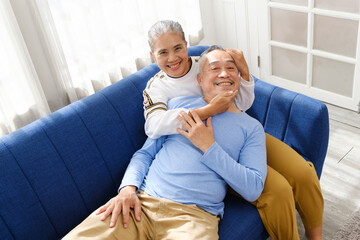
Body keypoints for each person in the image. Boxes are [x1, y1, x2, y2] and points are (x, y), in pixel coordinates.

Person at [63, 45, 268, 240]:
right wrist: (127, 188)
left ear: (239, 78)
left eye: (231, 68)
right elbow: (145, 154)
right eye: (215, 69)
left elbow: (253, 188)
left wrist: (209, 146)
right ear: (200, 79)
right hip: (142, 204)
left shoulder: (251, 128)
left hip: (193, 219)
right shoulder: (178, 106)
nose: (224, 74)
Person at [142, 20, 323, 240]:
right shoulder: (157, 87)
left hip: (239, 129)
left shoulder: (205, 62)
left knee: (303, 172)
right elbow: (153, 126)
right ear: (153, 55)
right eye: (163, 52)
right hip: (205, 144)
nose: (173, 58)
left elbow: (242, 103)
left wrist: (243, 73)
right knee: (278, 190)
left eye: (178, 48)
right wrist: (208, 109)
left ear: (186, 44)